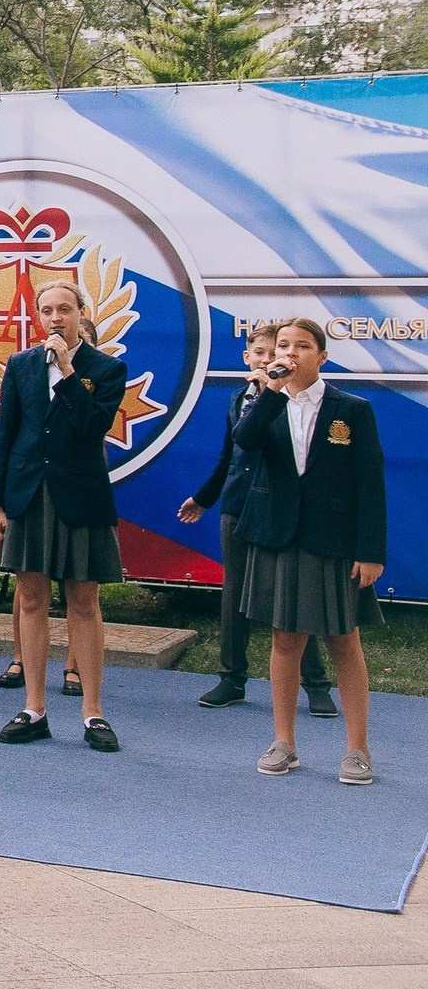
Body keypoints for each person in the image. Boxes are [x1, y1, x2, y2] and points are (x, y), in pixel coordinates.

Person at [234, 316, 385, 785]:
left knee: (343, 639)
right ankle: (284, 742)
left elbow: (370, 482)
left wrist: (371, 550)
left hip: (333, 540)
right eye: (283, 346)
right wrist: (269, 393)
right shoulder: (263, 402)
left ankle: (357, 749)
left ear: (322, 356)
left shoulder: (351, 409)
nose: (291, 354)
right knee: (285, 638)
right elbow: (245, 442)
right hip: (280, 534)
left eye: (303, 346)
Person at [0, 281, 127, 754]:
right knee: (29, 600)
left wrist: (67, 371)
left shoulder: (106, 369)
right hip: (28, 493)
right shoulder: (21, 365)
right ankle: (34, 708)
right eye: (46, 310)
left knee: (84, 601)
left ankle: (93, 713)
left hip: (80, 494)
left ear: (81, 313)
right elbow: (6, 433)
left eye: (64, 309)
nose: (54, 318)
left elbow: (93, 427)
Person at [179, 323, 335, 714]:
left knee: (294, 596)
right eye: (260, 354)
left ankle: (316, 684)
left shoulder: (290, 400)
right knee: (235, 593)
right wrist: (204, 497)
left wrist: (273, 394)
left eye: (275, 353)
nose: (268, 361)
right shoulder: (238, 399)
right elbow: (230, 456)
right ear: (247, 358)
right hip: (238, 506)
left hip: (279, 510)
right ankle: (232, 678)